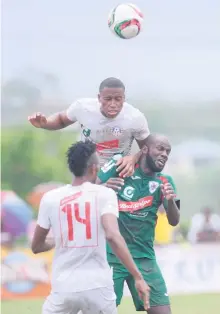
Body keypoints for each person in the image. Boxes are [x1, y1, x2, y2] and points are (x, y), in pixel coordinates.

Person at [31, 141, 150, 314]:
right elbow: (112, 235)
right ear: (94, 168)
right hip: (98, 287)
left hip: (64, 287)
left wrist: (59, 239)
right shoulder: (104, 194)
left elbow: (36, 246)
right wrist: (138, 277)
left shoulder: (51, 198)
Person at [97, 134, 180, 314]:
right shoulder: (119, 165)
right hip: (112, 257)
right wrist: (103, 188)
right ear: (144, 150)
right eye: (160, 148)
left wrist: (170, 201)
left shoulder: (165, 182)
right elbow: (88, 189)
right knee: (101, 310)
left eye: (168, 151)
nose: (165, 154)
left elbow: (175, 221)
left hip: (144, 258)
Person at [28, 77, 150, 177]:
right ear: (99, 98)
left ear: (124, 98)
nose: (113, 104)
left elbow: (147, 148)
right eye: (108, 99)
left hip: (118, 173)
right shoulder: (83, 108)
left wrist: (133, 158)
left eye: (118, 99)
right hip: (88, 170)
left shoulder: (135, 117)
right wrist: (45, 123)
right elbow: (61, 119)